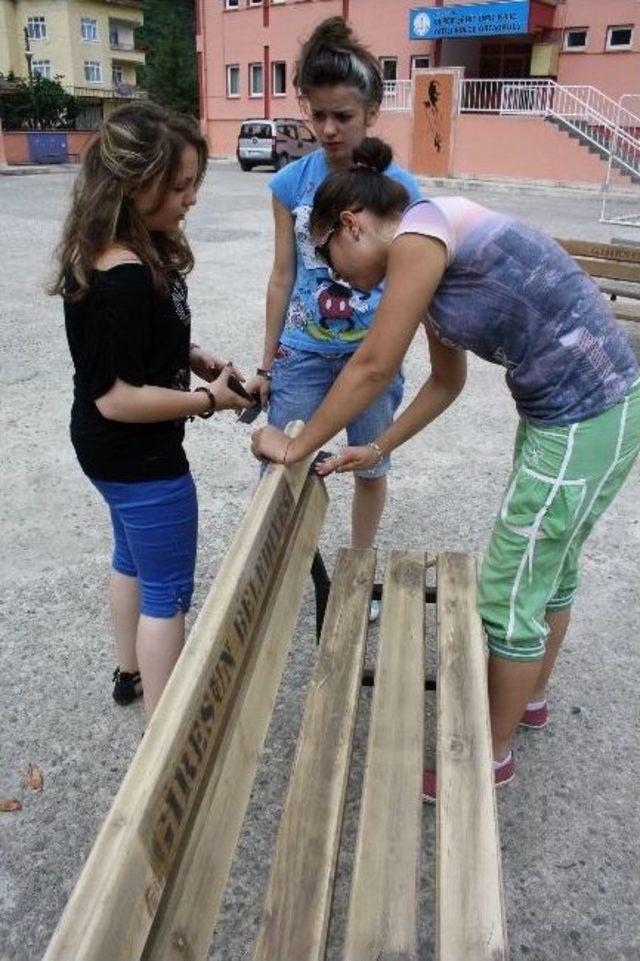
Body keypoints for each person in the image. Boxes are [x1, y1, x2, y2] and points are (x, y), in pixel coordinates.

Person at [251, 137, 640, 800]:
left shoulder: (417, 236)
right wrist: (373, 449)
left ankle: (487, 757)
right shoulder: (427, 259)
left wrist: (295, 443)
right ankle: (531, 697)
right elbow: (444, 382)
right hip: (587, 412)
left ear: (351, 225)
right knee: (551, 564)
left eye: (330, 256)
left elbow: (372, 364)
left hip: (583, 413)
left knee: (510, 586)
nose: (337, 275)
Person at [52, 102, 250, 719]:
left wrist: (201, 362)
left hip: (106, 453)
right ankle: (165, 739)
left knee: (130, 557)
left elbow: (143, 346)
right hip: (138, 456)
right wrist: (207, 401)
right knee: (167, 590)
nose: (191, 197)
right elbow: (118, 397)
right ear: (135, 185)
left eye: (195, 182)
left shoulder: (112, 248)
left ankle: (130, 672)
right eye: (180, 184)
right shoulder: (126, 276)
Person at [244, 18, 421, 618]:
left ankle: (358, 570)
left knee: (370, 463)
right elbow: (282, 276)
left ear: (371, 110)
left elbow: (411, 281)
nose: (327, 129)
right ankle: (291, 572)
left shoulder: (402, 189)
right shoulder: (291, 182)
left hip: (372, 357)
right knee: (284, 464)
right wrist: (266, 364)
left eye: (342, 116)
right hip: (304, 350)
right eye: (317, 114)